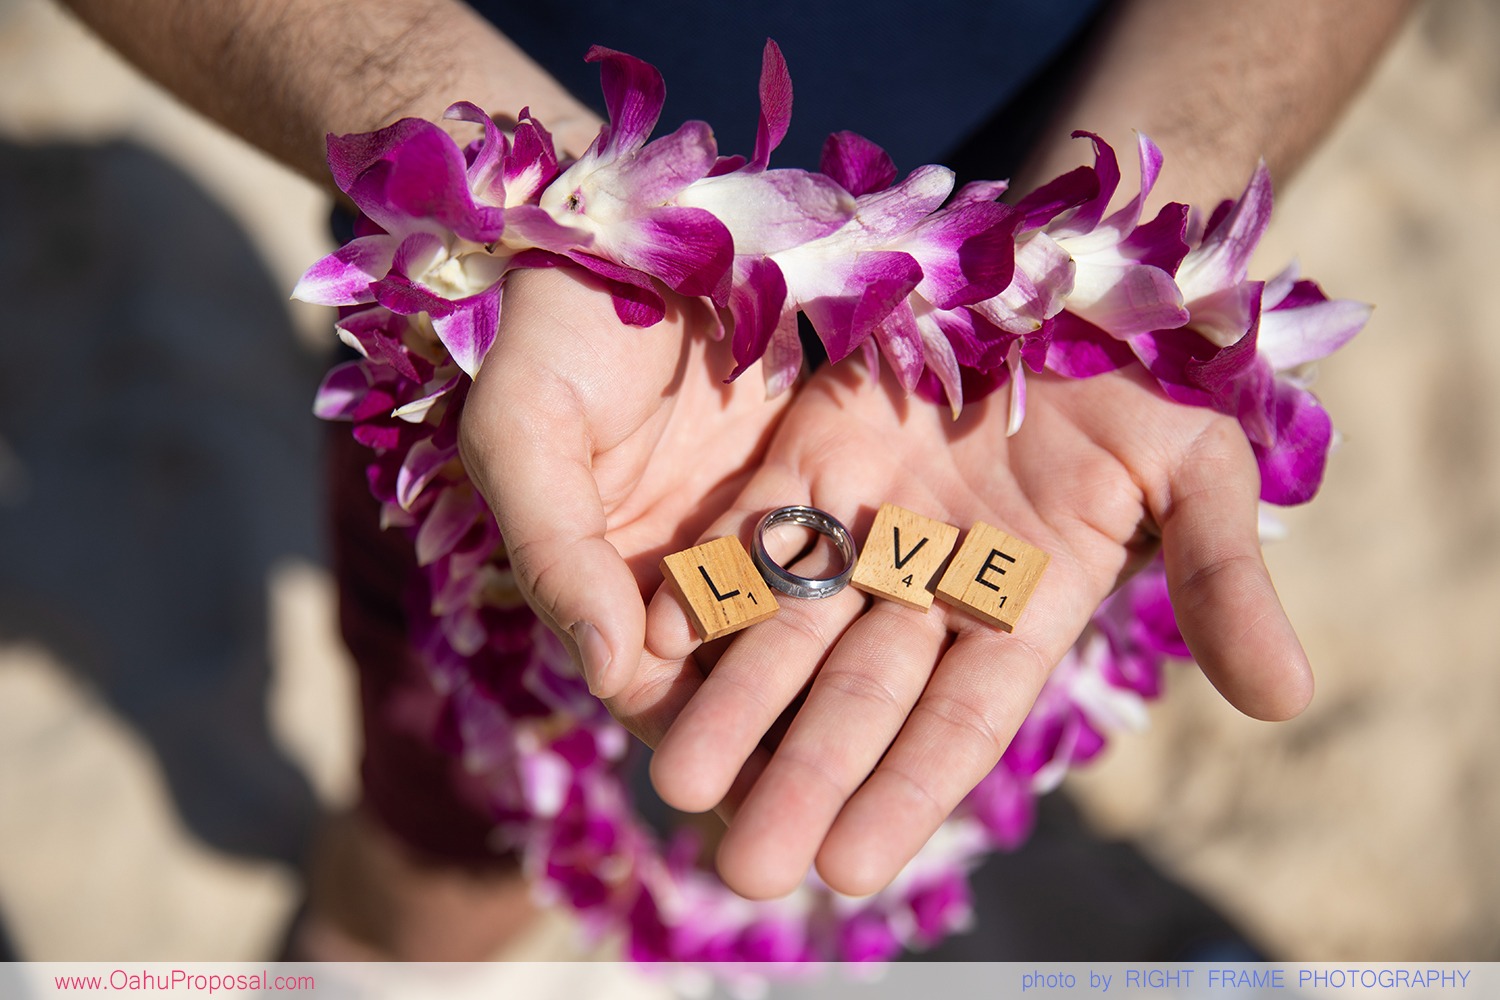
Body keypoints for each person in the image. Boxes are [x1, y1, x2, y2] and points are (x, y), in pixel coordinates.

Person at [59, 0, 1412, 959]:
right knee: (445, 842)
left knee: (899, 766)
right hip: (539, 350)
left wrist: (1124, 266)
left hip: (1018, 418)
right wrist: (520, 200)